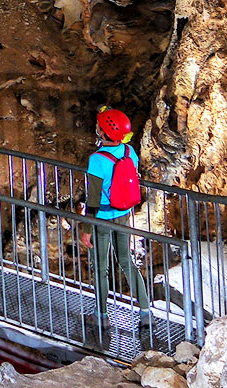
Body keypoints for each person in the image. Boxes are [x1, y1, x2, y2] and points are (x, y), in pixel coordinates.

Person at [84, 107, 151, 339]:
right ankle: (145, 312)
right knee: (126, 261)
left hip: (102, 219)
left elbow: (92, 198)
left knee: (101, 267)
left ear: (103, 132)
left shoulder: (97, 160)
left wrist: (85, 229)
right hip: (123, 215)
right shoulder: (129, 152)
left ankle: (101, 315)